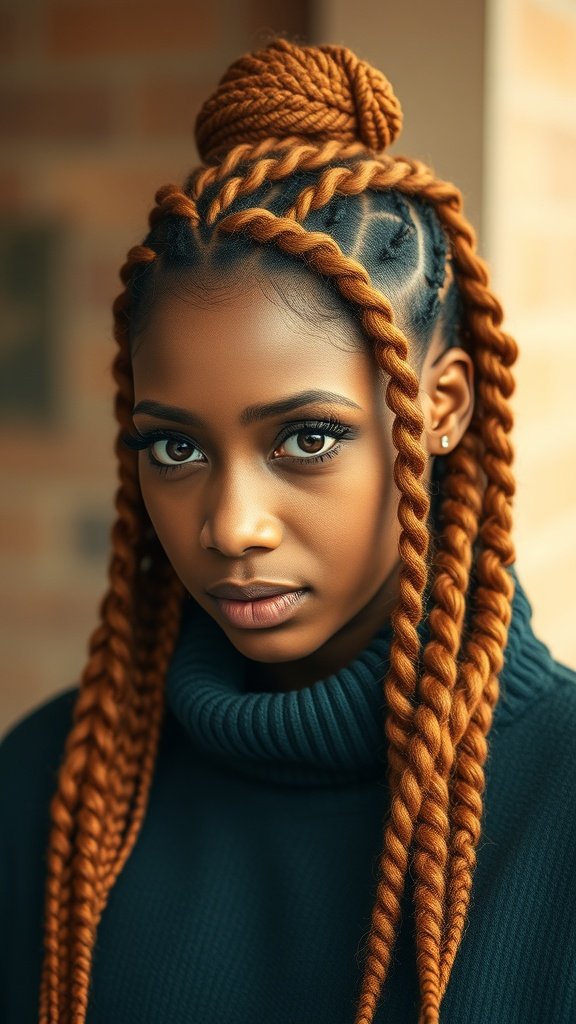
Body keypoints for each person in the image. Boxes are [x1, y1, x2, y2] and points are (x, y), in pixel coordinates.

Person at [1, 37, 575, 1024]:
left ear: (441, 405)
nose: (231, 527)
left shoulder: (557, 805)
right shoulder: (49, 790)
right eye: (175, 447)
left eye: (307, 438)